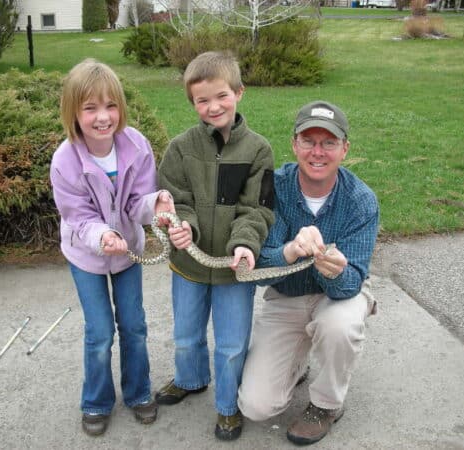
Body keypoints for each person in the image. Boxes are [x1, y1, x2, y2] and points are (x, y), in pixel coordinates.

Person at [237, 100, 379, 446]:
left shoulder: (361, 201)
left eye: (329, 142)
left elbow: (350, 285)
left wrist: (336, 271)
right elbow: (263, 273)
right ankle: (297, 365)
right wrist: (288, 251)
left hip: (336, 297)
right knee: (256, 406)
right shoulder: (276, 186)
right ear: (294, 144)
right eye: (308, 141)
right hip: (286, 296)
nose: (318, 152)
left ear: (344, 149)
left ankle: (326, 405)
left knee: (339, 325)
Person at [49, 59, 174, 436]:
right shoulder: (64, 161)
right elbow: (79, 216)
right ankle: (97, 401)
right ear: (73, 112)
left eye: (110, 106)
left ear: (120, 107)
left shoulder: (136, 145)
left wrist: (157, 205)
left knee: (134, 325)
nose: (102, 117)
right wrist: (102, 235)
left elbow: (139, 201)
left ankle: (137, 393)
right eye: (90, 108)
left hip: (129, 252)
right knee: (100, 331)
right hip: (87, 255)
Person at [156, 51, 275, 441]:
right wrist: (182, 227)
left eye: (221, 95)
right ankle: (191, 380)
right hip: (188, 267)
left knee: (230, 344)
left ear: (239, 92)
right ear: (192, 103)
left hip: (233, 271)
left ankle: (227, 406)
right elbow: (177, 200)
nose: (213, 107)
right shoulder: (179, 149)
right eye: (202, 100)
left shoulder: (258, 151)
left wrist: (245, 244)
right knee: (186, 334)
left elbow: (257, 209)